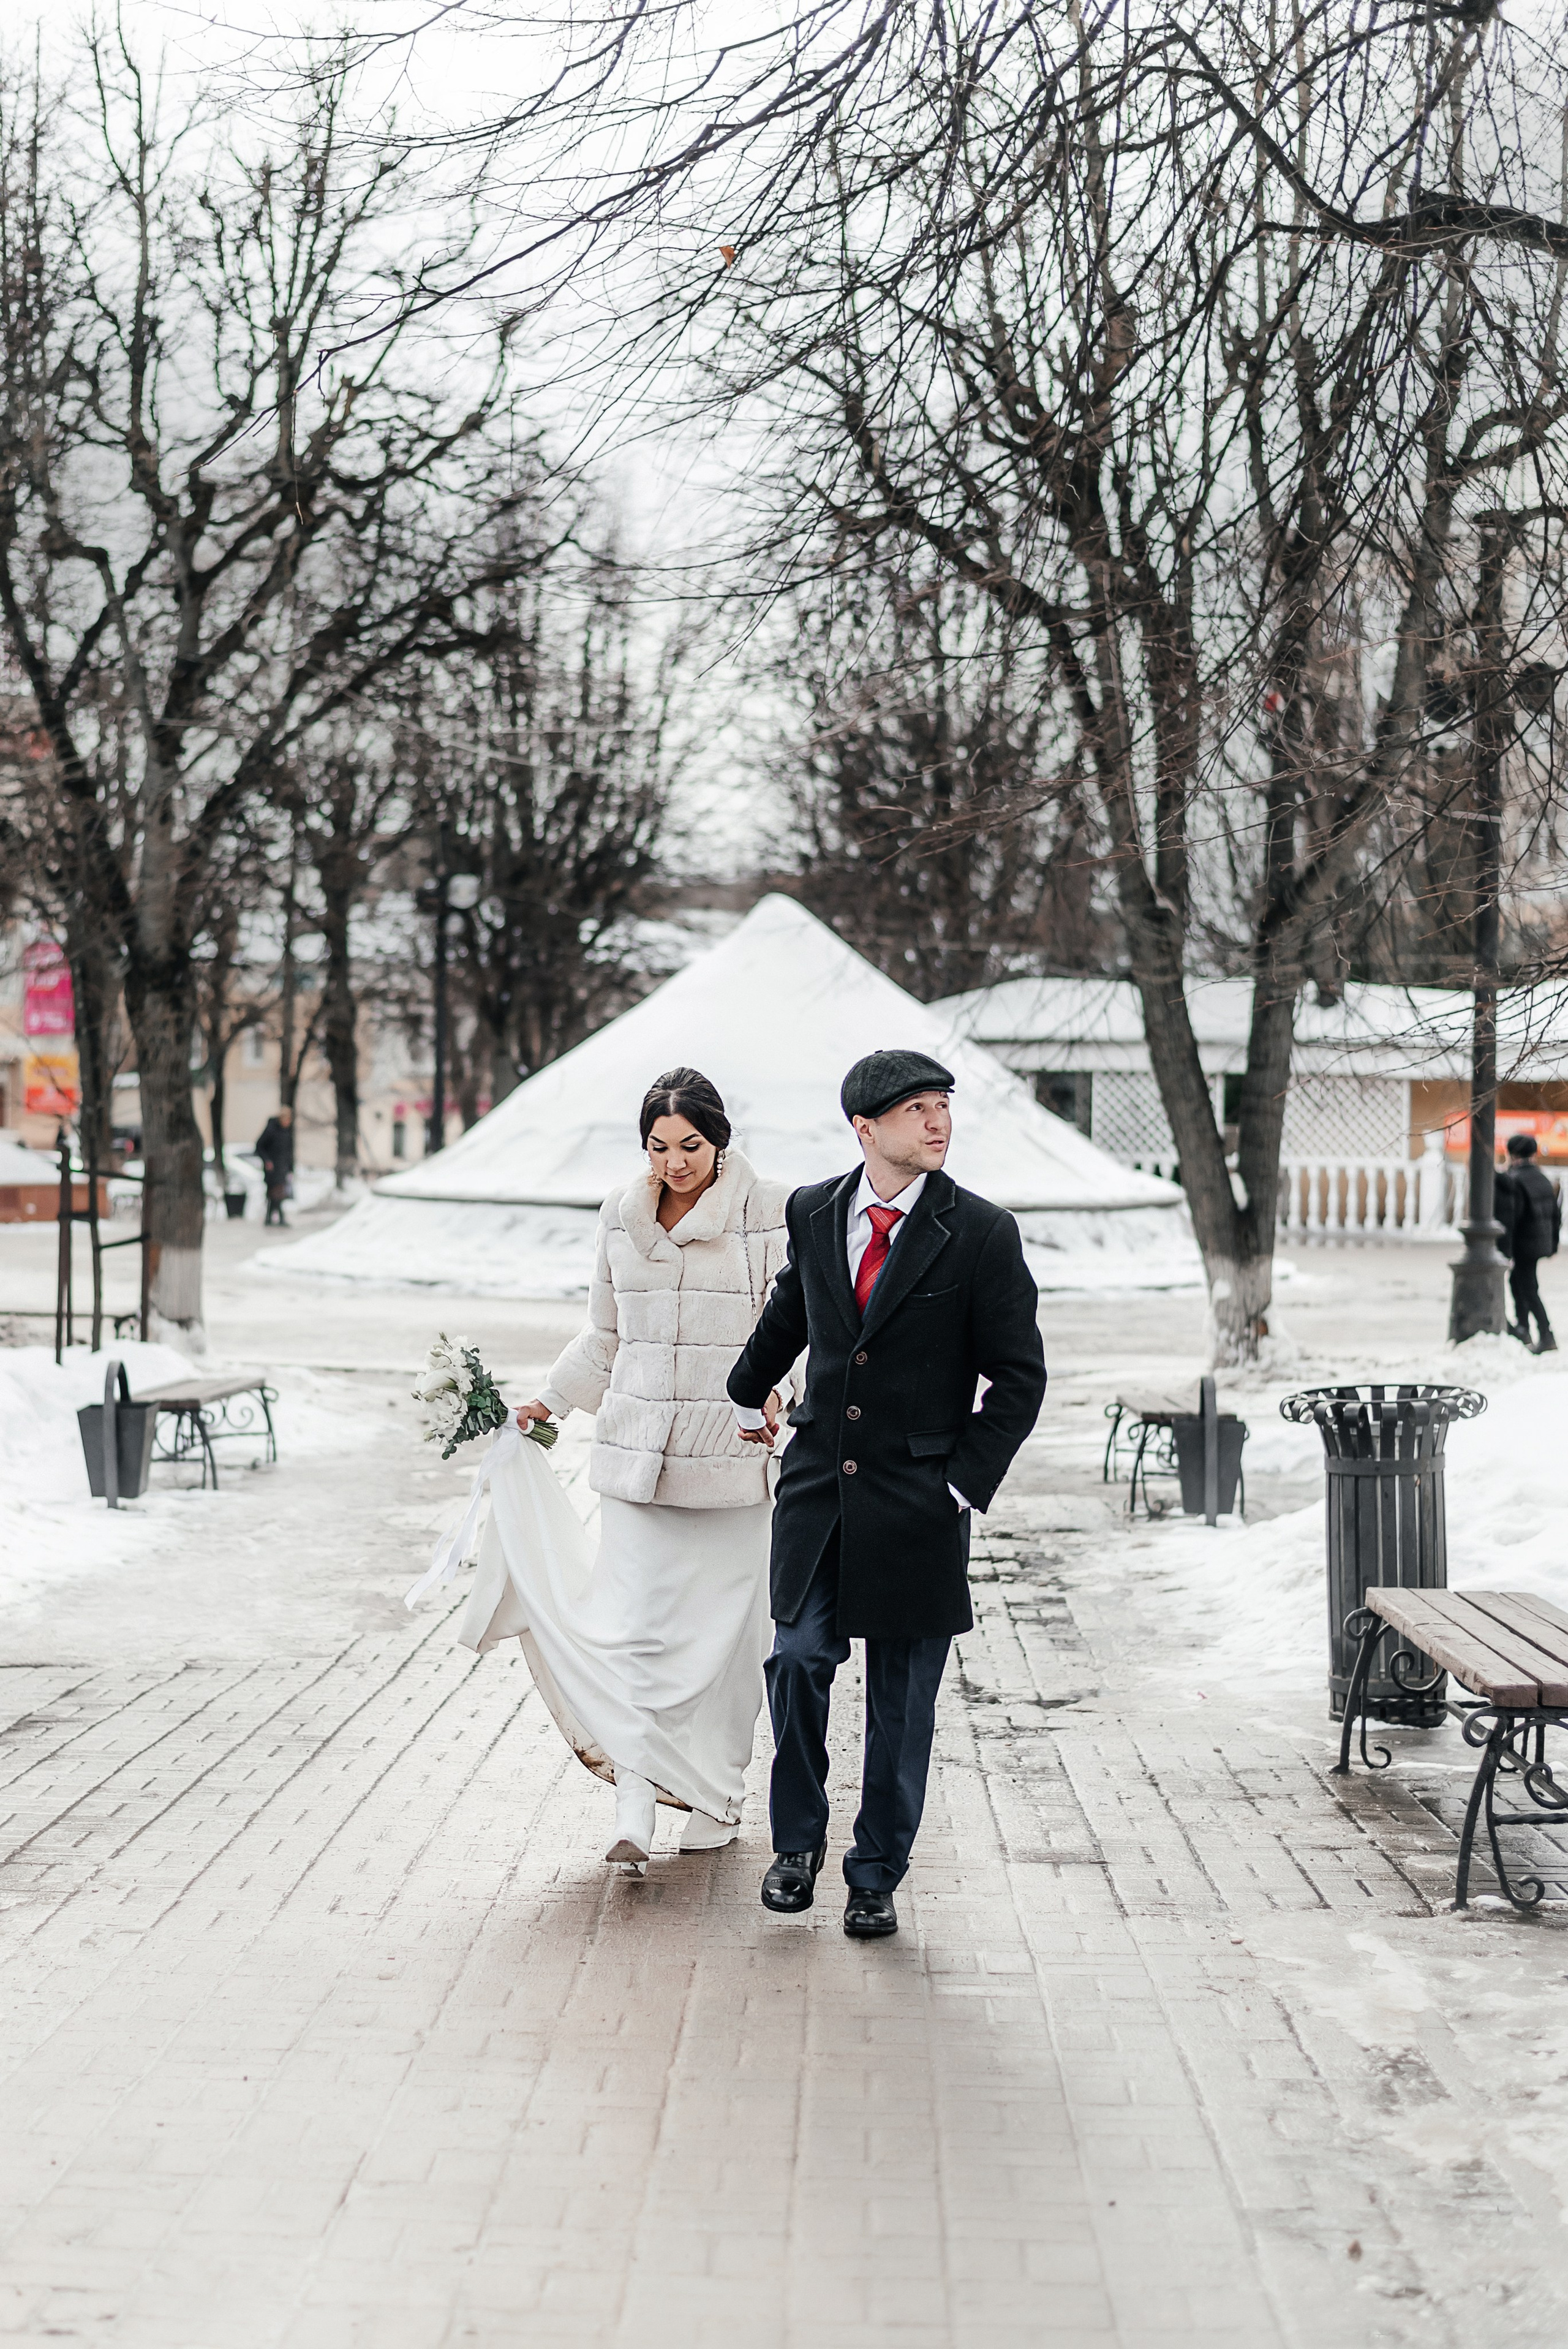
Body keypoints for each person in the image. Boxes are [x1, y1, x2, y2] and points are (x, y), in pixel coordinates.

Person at [726, 1048, 1047, 1939]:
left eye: (943, 1104)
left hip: (919, 1502)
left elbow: (1019, 1379)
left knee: (902, 1704)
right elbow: (797, 1306)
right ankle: (796, 1846)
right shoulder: (815, 1210)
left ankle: (876, 1873)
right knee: (797, 1659)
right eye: (916, 1109)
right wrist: (745, 1381)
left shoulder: (981, 1232)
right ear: (866, 1128)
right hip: (821, 1490)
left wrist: (959, 1482)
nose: (938, 1121)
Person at [508, 1069, 794, 1869]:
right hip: (636, 1461)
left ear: (720, 1139)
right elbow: (605, 1335)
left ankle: (717, 1792)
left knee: (725, 1647)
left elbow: (797, 1326)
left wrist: (779, 1392)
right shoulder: (619, 1214)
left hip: (731, 1463)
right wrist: (550, 1400)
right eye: (659, 1146)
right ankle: (635, 1796)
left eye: (691, 1145)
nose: (675, 1162)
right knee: (634, 1634)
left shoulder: (768, 1213)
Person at [1495, 1130, 1561, 1353]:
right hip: (1538, 1244)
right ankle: (1524, 1329)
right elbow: (1556, 1216)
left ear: (1512, 1155)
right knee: (1519, 1283)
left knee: (1529, 1288)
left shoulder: (1515, 1180)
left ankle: (1545, 1334)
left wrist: (1506, 1251)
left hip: (1523, 1246)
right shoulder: (1542, 1178)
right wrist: (1552, 1244)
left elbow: (1511, 1219)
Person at [256, 1105, 293, 1226]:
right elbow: (259, 1147)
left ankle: (270, 1218)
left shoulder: (286, 1132)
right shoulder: (271, 1130)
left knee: (276, 1194)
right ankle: (277, 1218)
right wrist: (267, 1161)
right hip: (272, 1169)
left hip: (282, 1168)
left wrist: (290, 1167)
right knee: (276, 1194)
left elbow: (288, 1152)